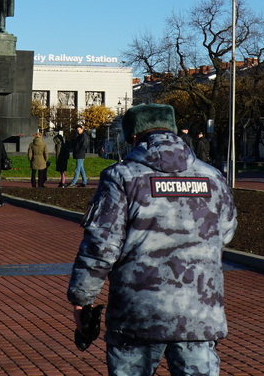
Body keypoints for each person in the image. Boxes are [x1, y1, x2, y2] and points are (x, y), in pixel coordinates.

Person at [68, 103, 236, 376]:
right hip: (199, 312)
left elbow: (102, 246)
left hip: (138, 314)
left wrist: (82, 299)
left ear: (133, 137)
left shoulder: (122, 177)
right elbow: (226, 232)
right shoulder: (212, 177)